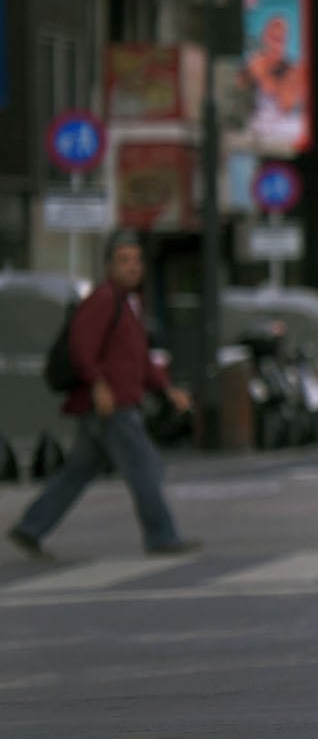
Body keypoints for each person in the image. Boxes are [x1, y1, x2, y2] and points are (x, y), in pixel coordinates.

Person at [7, 231, 200, 560]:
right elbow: (82, 348)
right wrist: (98, 384)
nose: (132, 267)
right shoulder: (104, 300)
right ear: (109, 266)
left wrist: (166, 389)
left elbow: (139, 359)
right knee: (145, 468)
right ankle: (162, 536)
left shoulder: (127, 304)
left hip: (113, 404)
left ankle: (30, 528)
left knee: (77, 473)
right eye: (124, 260)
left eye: (136, 260)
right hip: (112, 406)